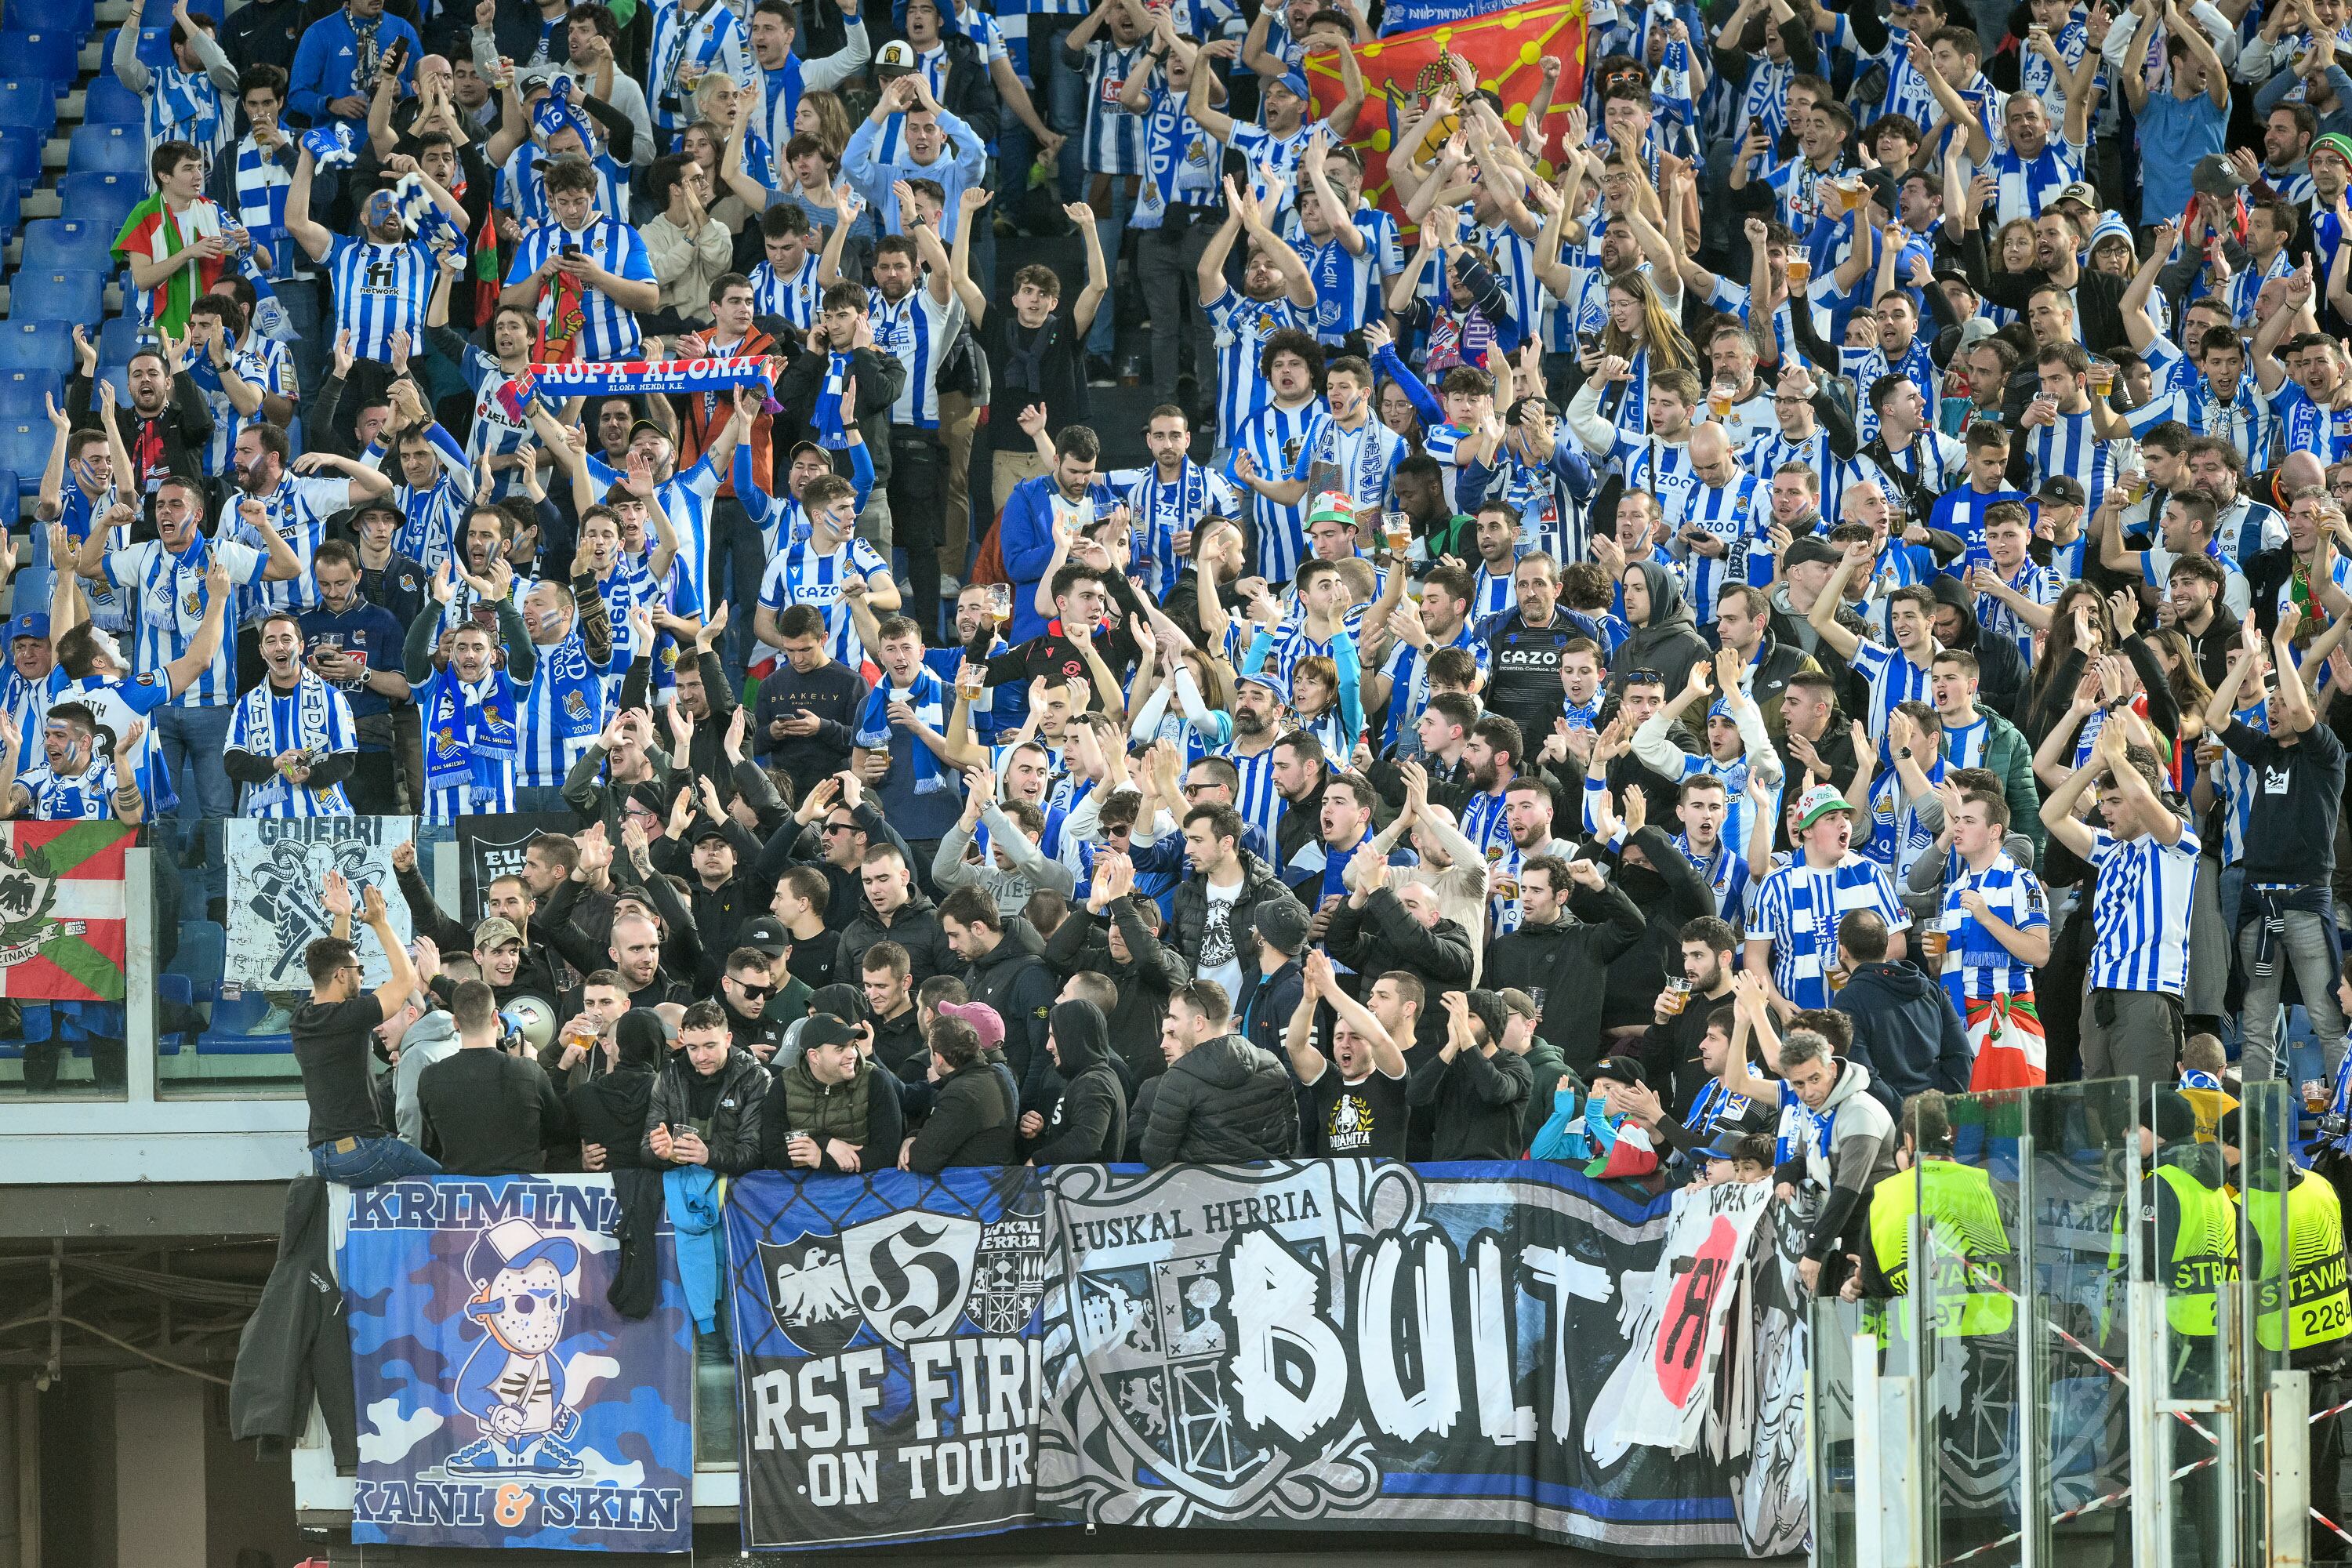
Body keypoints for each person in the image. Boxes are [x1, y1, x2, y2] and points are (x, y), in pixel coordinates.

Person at [291, 874, 431, 1186]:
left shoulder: (303, 1016)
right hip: (361, 1151)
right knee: (451, 1186)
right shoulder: (351, 1015)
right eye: (359, 971)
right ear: (342, 975)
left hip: (323, 1156)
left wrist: (342, 917)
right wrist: (380, 922)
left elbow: (332, 964)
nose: (362, 976)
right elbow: (406, 980)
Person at [413, 979, 573, 1176]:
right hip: (521, 1195)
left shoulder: (430, 1077)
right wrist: (531, 1066)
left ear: (455, 1022)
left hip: (460, 1197)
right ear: (496, 1018)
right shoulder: (527, 1071)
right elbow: (559, 1127)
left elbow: (432, 1140)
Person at [1139, 979, 1298, 1165]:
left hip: (1201, 1191)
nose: (1172, 1027)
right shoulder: (1271, 1063)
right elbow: (1291, 1139)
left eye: (1175, 1019)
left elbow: (1155, 1156)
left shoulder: (1178, 1080)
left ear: (1198, 1023)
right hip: (1265, 1189)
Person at [762, 1014, 903, 1173]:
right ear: (814, 1056)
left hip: (862, 1189)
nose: (852, 1054)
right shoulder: (784, 1084)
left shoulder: (875, 1080)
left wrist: (822, 1158)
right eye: (840, 1049)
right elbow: (773, 1153)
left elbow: (886, 1153)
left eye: (853, 1045)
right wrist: (824, 1143)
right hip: (801, 1189)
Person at [643, 1000, 768, 1174]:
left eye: (710, 1046)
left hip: (735, 1190)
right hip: (679, 1182)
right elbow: (646, 1149)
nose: (701, 1057)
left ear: (727, 1039)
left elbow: (755, 1152)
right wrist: (663, 1154)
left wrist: (709, 1156)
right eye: (693, 1048)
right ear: (682, 1038)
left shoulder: (755, 1078)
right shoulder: (669, 1076)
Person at [902, 1012, 1018, 1171]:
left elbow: (922, 1159)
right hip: (999, 1180)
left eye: (930, 1051)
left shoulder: (959, 1094)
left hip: (970, 1187)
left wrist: (911, 1138)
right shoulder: (1000, 1073)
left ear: (939, 1058)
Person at [1022, 998, 1127, 1164]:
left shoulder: (1094, 1083)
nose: (1048, 1046)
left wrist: (1036, 1161)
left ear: (1073, 1038)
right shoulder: (1085, 1078)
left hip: (1083, 1189)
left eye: (1054, 1036)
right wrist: (1042, 1131)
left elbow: (1085, 1142)